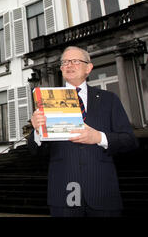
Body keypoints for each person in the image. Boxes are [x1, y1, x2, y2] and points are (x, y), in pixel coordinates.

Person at [29, 46, 138, 217]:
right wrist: (37, 131)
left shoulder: (109, 100)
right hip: (64, 195)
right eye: (64, 62)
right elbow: (36, 152)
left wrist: (98, 137)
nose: (69, 65)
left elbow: (130, 141)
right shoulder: (48, 100)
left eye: (75, 61)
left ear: (89, 67)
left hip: (103, 193)